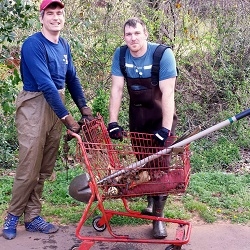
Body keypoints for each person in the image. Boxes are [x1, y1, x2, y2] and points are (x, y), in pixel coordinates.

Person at [2, 0, 93, 240]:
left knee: (44, 168)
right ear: (41, 18)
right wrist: (67, 117)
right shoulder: (33, 44)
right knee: (29, 167)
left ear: (64, 17)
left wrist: (84, 108)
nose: (55, 17)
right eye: (50, 13)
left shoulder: (63, 44)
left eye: (59, 13)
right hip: (35, 105)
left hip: (55, 105)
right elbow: (45, 84)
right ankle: (12, 216)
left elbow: (71, 78)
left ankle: (32, 217)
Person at [107, 17, 178, 239]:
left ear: (145, 33)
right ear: (124, 37)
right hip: (138, 116)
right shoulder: (121, 55)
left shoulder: (162, 55)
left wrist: (165, 129)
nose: (133, 38)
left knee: (161, 166)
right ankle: (150, 203)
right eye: (128, 34)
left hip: (160, 117)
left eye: (137, 33)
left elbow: (168, 93)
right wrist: (113, 122)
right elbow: (117, 89)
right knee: (143, 162)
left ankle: (158, 219)